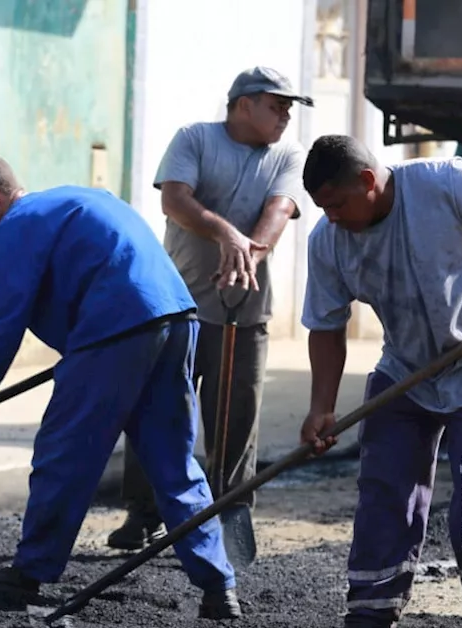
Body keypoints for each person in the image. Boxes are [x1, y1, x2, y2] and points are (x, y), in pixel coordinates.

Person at [0, 152, 240, 617]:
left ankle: (28, 573)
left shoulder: (14, 229)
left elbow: (2, 333)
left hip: (113, 329)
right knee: (174, 462)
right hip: (177, 319)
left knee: (64, 452)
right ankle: (218, 588)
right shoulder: (77, 200)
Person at [298, 134, 462, 628]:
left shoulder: (442, 183)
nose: (332, 218)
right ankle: (370, 619)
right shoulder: (329, 240)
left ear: (368, 181)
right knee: (384, 490)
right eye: (324, 208)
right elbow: (325, 325)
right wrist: (322, 407)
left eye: (338, 204)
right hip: (406, 372)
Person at [107, 66, 310, 552]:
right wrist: (226, 234)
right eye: (276, 105)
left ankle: (231, 512)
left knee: (238, 419)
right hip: (175, 306)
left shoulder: (287, 154)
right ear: (244, 104)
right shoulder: (194, 139)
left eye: (288, 108)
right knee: (156, 408)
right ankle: (145, 511)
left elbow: (280, 210)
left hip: (245, 308)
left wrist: (249, 254)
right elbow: (175, 201)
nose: (285, 116)